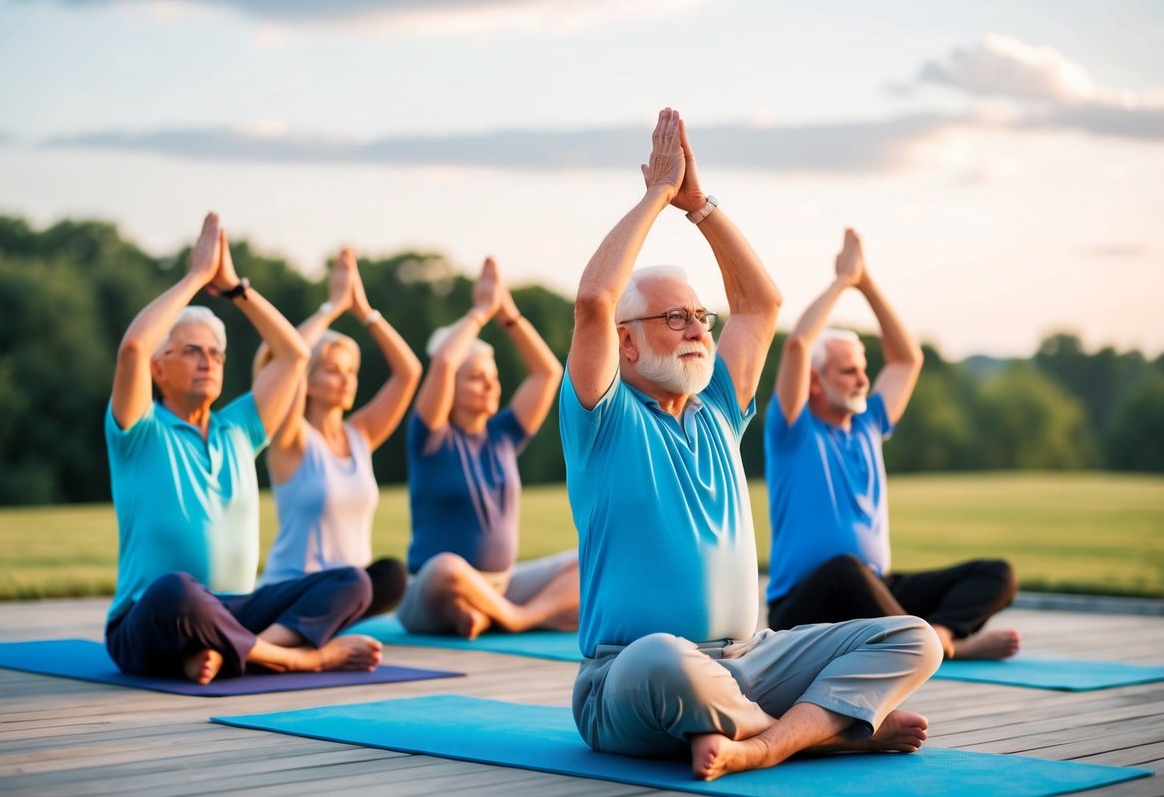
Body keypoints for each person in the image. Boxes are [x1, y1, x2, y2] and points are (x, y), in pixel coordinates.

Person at [561, 108, 942, 781]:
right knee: (661, 657)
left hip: (751, 660)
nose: (695, 329)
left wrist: (698, 205)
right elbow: (594, 297)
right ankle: (818, 734)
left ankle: (763, 740)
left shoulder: (717, 410)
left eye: (699, 317)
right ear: (626, 341)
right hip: (626, 677)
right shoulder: (603, 418)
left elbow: (760, 305)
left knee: (910, 637)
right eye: (673, 318)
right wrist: (656, 193)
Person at [104, 213, 381, 685]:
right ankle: (296, 658)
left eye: (215, 353)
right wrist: (196, 276)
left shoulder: (241, 428)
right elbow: (133, 346)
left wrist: (235, 288)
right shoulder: (139, 431)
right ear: (159, 369)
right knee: (174, 590)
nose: (207, 361)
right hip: (150, 617)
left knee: (353, 581)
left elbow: (294, 354)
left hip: (234, 609)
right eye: (191, 351)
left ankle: (233, 650)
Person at [763, 228, 1019, 660]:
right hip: (804, 609)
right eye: (848, 372)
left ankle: (939, 636)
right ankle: (932, 645)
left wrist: (867, 283)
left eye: (863, 369)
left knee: (998, 573)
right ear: (815, 382)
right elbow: (798, 345)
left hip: (875, 591)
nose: (863, 379)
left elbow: (906, 359)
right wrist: (841, 283)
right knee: (846, 568)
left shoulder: (868, 423)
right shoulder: (793, 430)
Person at [397, 256, 576, 639]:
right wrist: (481, 311)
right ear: (451, 387)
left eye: (492, 378)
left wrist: (509, 315)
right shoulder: (430, 437)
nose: (491, 386)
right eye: (477, 378)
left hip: (504, 584)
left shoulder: (504, 435)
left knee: (593, 560)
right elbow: (445, 360)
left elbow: (548, 373)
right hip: (435, 587)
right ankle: (506, 614)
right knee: (447, 567)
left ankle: (508, 617)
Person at [255, 247, 422, 617]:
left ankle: (323, 625)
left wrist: (364, 311)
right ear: (307, 381)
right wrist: (330, 308)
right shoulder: (291, 437)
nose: (346, 379)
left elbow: (409, 372)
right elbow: (273, 359)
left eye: (351, 370)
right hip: (294, 589)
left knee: (391, 575)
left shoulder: (360, 436)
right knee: (355, 583)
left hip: (350, 589)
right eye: (333, 369)